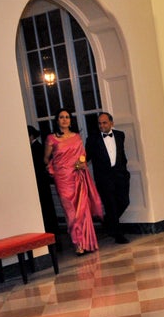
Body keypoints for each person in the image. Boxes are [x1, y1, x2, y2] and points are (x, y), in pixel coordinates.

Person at [44, 109, 103, 255]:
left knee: (82, 210)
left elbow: (82, 155)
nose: (64, 120)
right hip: (63, 178)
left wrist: (81, 164)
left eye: (67, 117)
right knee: (71, 212)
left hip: (77, 175)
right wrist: (53, 168)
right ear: (57, 121)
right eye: (61, 117)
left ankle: (87, 243)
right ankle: (78, 244)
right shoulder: (51, 138)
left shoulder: (77, 137)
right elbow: (46, 159)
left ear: (71, 120)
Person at [85, 112, 131, 244]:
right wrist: (76, 165)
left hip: (121, 176)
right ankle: (118, 235)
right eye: (99, 123)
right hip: (104, 179)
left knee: (124, 201)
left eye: (104, 122)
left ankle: (108, 222)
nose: (101, 125)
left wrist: (124, 171)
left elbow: (122, 155)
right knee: (111, 206)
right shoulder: (92, 139)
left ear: (111, 123)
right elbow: (85, 157)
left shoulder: (120, 135)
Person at [28, 125, 59, 237]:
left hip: (41, 184)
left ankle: (52, 236)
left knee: (47, 211)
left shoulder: (36, 148)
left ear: (31, 136)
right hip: (42, 183)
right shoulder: (37, 147)